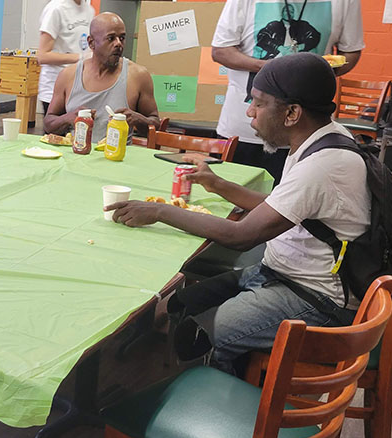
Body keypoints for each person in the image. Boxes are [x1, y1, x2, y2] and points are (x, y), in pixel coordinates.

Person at [108, 54, 370, 376]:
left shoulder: (321, 165)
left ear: (292, 113)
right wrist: (216, 183)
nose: (249, 112)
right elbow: (279, 204)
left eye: (259, 104)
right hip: (283, 272)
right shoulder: (322, 138)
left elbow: (241, 236)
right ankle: (223, 360)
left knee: (193, 335)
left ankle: (229, 389)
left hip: (316, 299)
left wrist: (159, 211)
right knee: (179, 304)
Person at [211, 0, 364, 182]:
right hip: (244, 127)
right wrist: (273, 69)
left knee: (292, 204)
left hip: (306, 132)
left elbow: (351, 52)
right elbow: (220, 51)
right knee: (229, 196)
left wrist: (317, 73)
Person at [44, 12, 160, 141]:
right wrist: (68, 118)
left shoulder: (138, 76)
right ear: (91, 43)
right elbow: (48, 124)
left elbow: (156, 125)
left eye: (122, 38)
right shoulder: (68, 75)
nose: (118, 44)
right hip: (76, 151)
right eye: (111, 38)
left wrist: (138, 119)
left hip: (118, 153)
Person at [37, 0, 99, 116]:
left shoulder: (89, 10)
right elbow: (43, 56)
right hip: (55, 89)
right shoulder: (57, 8)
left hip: (79, 87)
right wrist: (80, 57)